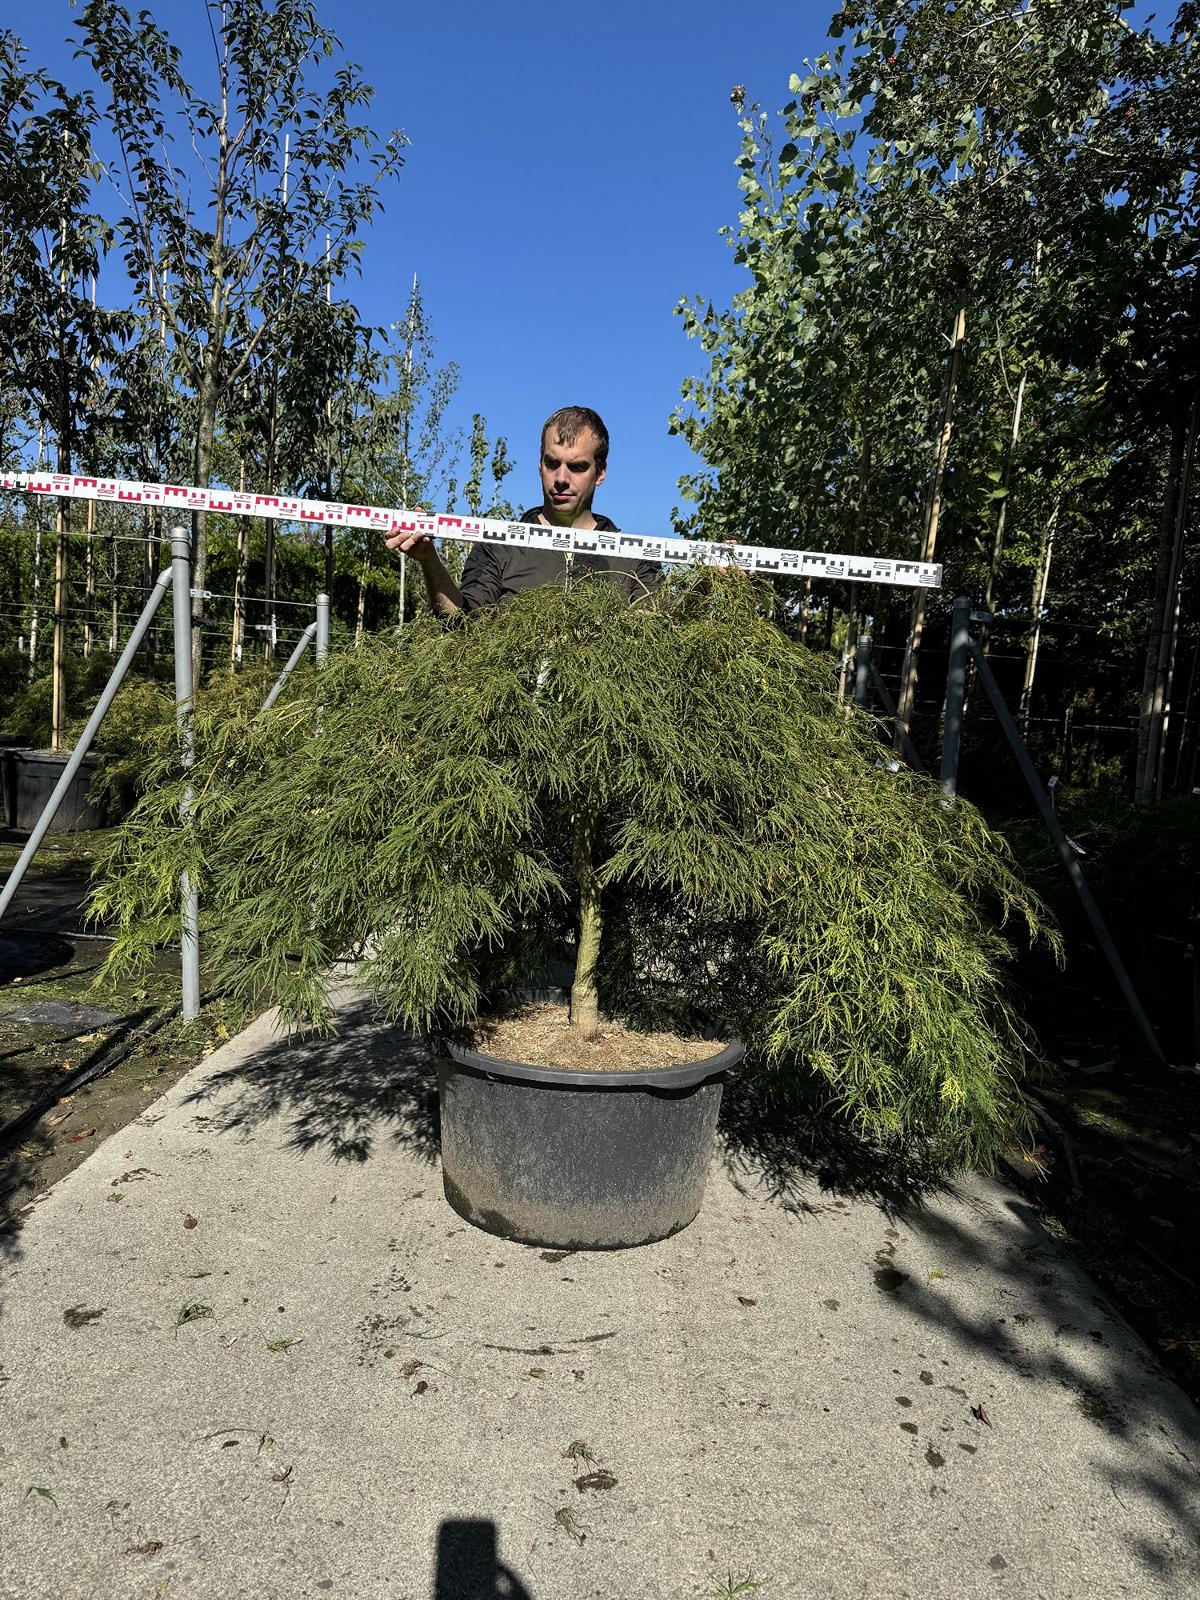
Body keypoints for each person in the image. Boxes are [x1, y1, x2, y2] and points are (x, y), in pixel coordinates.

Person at [385, 406, 661, 615]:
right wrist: (429, 561)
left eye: (577, 467)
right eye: (552, 463)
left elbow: (657, 639)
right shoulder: (498, 545)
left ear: (600, 473)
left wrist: (704, 586)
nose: (561, 478)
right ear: (540, 464)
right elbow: (462, 627)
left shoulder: (634, 558)